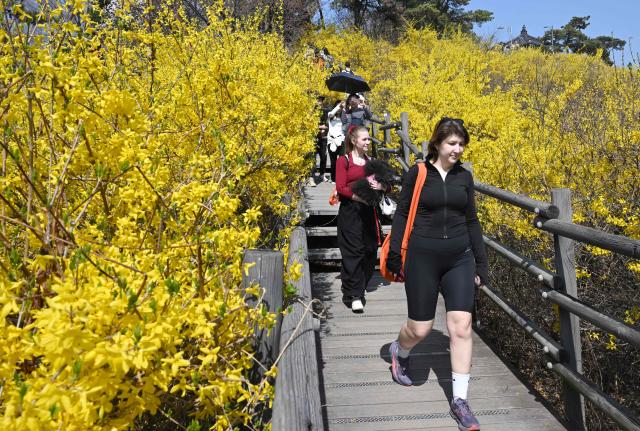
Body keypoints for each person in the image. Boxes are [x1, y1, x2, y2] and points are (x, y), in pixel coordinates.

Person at [385, 118, 489, 431]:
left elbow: (472, 221)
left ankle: (460, 401)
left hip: (460, 257)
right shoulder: (417, 173)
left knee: (461, 326)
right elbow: (403, 213)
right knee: (420, 328)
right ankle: (400, 351)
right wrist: (393, 256)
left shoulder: (464, 177)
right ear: (437, 143)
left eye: (461, 144)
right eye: (451, 144)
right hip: (422, 256)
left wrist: (481, 263)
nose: (457, 150)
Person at [335, 126, 383, 313]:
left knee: (370, 251)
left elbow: (385, 185)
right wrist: (359, 197)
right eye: (364, 139)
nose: (367, 142)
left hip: (369, 211)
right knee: (353, 251)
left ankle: (354, 285)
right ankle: (356, 294)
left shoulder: (371, 161)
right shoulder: (343, 160)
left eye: (369, 139)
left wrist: (379, 185)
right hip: (350, 210)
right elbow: (341, 187)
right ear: (354, 141)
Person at [310, 95, 329, 186]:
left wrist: (325, 128)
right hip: (313, 137)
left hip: (323, 136)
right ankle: (311, 176)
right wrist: (318, 127)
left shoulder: (325, 111)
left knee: (323, 156)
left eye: (320, 100)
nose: (319, 102)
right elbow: (308, 123)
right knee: (313, 157)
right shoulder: (311, 112)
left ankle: (322, 174)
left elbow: (328, 123)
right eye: (317, 100)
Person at [327, 100, 346, 183]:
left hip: (341, 140)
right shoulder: (330, 116)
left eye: (340, 107)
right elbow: (331, 113)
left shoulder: (343, 118)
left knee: (342, 161)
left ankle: (341, 178)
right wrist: (339, 106)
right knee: (333, 161)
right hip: (331, 141)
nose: (339, 109)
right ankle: (333, 178)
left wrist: (344, 108)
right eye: (338, 107)